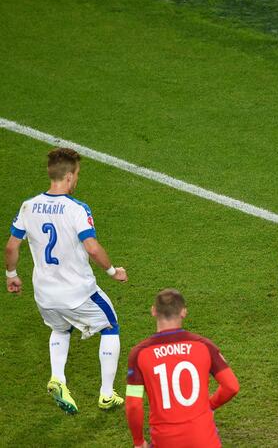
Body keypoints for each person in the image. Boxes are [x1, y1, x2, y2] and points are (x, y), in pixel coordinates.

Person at [4, 147, 128, 414]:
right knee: (110, 326)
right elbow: (92, 248)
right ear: (70, 176)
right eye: (78, 174)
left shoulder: (28, 206)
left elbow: (12, 247)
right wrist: (112, 272)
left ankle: (58, 378)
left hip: (45, 295)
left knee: (60, 329)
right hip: (77, 292)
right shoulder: (76, 209)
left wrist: (11, 275)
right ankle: (106, 394)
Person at [126, 288, 239, 448]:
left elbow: (133, 405)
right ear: (184, 312)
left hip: (166, 442)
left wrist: (138, 442)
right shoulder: (204, 346)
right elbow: (231, 386)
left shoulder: (139, 354)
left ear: (153, 311)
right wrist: (210, 405)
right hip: (204, 440)